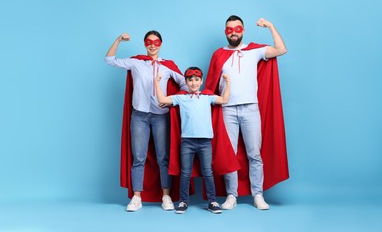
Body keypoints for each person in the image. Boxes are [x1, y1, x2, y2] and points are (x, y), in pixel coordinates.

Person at [205, 15, 289, 210]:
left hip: (251, 108)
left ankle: (257, 194)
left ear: (243, 30)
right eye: (229, 29)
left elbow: (281, 49)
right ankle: (231, 195)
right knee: (229, 154)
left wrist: (270, 26)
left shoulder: (254, 51)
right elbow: (210, 84)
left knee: (254, 154)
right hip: (227, 109)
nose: (233, 32)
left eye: (237, 28)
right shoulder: (218, 54)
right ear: (225, 32)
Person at [105, 30, 187, 212]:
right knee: (138, 157)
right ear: (144, 44)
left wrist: (170, 100)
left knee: (163, 157)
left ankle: (166, 196)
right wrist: (118, 39)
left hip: (161, 117)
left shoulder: (168, 66)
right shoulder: (136, 62)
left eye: (156, 42)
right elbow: (109, 60)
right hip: (139, 116)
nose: (152, 45)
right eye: (149, 42)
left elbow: (185, 84)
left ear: (161, 44)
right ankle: (137, 197)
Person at [155, 67, 230, 214]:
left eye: (196, 80)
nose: (194, 83)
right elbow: (162, 99)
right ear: (186, 82)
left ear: (201, 81)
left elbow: (224, 100)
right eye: (190, 80)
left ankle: (212, 201)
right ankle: (183, 202)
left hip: (205, 142)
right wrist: (157, 83)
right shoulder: (181, 98)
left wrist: (228, 83)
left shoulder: (207, 97)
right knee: (185, 172)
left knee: (208, 172)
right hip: (187, 142)